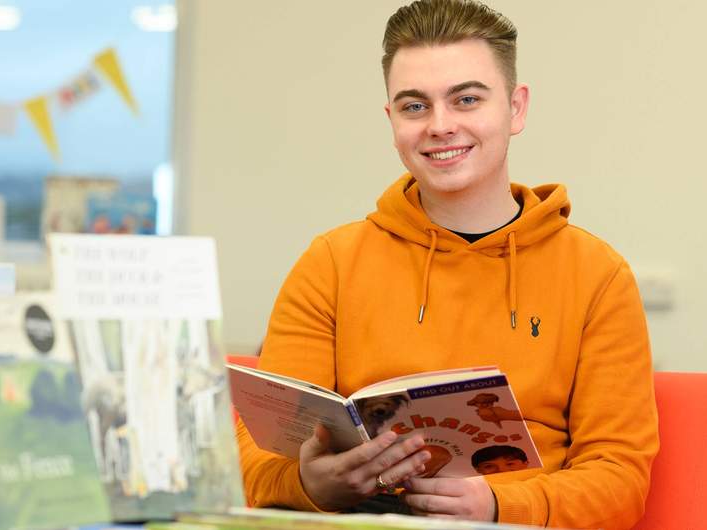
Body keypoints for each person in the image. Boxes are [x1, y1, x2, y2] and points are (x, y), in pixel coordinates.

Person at [234, 0, 658, 528]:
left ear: (516, 108)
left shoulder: (597, 274)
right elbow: (260, 455)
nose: (440, 125)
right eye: (415, 107)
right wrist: (311, 486)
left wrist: (501, 506)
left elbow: (619, 476)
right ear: (392, 121)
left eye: (466, 99)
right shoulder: (331, 263)